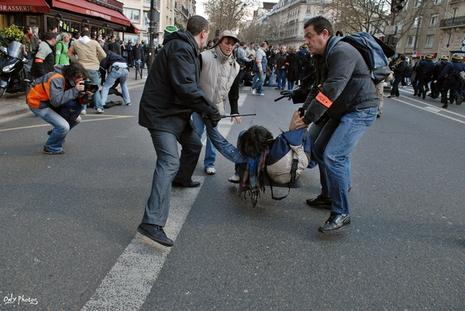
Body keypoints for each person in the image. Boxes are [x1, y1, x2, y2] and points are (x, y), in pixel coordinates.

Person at [137, 16, 220, 247]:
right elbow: (186, 87)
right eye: (208, 35)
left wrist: (205, 108)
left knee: (194, 144)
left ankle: (182, 179)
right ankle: (151, 223)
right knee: (169, 161)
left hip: (175, 114)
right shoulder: (181, 49)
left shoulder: (185, 47)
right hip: (161, 115)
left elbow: (187, 88)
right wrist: (209, 109)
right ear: (203, 33)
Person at [297, 16, 379, 233]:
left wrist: (308, 119)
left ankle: (341, 212)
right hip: (344, 109)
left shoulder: (341, 52)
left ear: (325, 34)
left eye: (310, 36)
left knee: (334, 155)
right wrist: (303, 111)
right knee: (319, 149)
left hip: (361, 109)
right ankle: (327, 196)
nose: (307, 41)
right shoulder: (323, 55)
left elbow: (332, 89)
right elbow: (318, 87)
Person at [191, 30, 242, 176]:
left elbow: (234, 91)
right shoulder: (204, 57)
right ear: (220, 42)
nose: (229, 46)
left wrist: (235, 110)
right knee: (195, 135)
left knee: (213, 137)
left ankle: (210, 163)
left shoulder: (235, 66)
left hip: (216, 109)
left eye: (232, 44)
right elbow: (192, 80)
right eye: (227, 43)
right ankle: (189, 162)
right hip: (199, 105)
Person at [26, 62, 90, 154]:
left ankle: (55, 134)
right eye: (78, 77)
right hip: (38, 103)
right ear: (71, 74)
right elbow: (56, 101)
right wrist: (75, 90)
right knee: (63, 127)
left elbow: (70, 98)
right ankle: (51, 147)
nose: (80, 80)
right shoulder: (57, 78)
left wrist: (87, 95)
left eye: (82, 77)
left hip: (48, 102)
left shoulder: (68, 78)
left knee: (77, 119)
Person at [68, 30, 107, 114]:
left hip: (81, 68)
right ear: (89, 36)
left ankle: (83, 108)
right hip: (93, 68)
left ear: (81, 35)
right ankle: (99, 107)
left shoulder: (75, 42)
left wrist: (76, 61)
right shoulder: (94, 42)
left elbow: (69, 53)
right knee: (94, 88)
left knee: (83, 88)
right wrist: (97, 60)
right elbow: (104, 55)